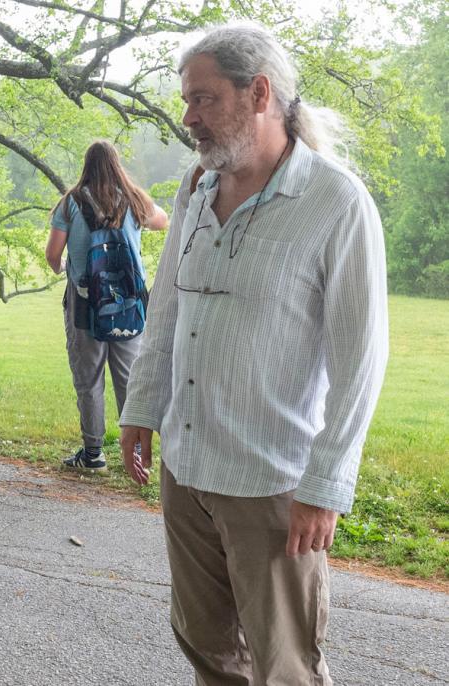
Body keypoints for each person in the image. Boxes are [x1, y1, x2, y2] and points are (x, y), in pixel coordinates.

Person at [118, 23, 388, 684]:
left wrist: (326, 484)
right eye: (188, 100)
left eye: (204, 99)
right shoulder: (196, 189)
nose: (189, 117)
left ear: (258, 92)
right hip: (188, 467)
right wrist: (141, 408)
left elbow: (361, 356)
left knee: (285, 664)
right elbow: (168, 307)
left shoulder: (334, 201)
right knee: (205, 644)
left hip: (272, 485)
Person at [46, 141, 167, 472]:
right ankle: (138, 455)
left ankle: (93, 453)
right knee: (128, 377)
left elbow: (53, 254)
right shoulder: (134, 199)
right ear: (116, 165)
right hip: (128, 303)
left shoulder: (70, 202)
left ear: (86, 165)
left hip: (85, 303)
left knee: (89, 378)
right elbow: (164, 221)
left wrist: (65, 271)